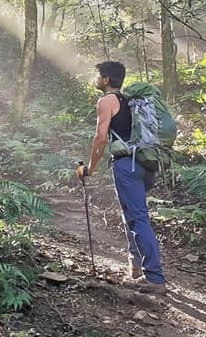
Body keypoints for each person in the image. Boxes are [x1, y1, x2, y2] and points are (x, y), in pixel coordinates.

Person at [76, 60, 168, 294]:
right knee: (132, 215)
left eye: (98, 76)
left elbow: (101, 138)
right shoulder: (131, 102)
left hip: (127, 165)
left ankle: (155, 277)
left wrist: (91, 168)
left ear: (106, 80)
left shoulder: (107, 101)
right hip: (147, 164)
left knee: (138, 217)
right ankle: (136, 267)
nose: (96, 79)